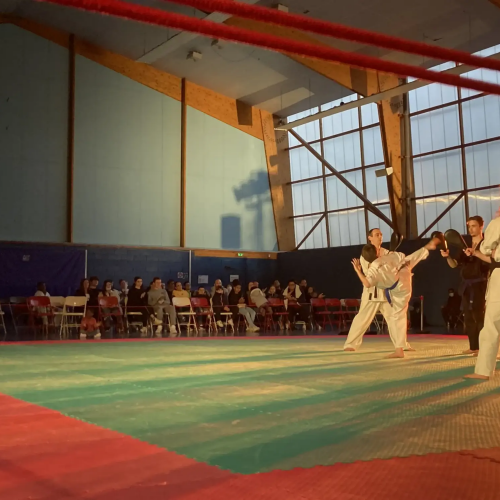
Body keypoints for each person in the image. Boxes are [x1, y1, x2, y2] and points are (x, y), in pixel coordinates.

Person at [351, 236, 440, 358]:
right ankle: (426, 248)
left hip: (399, 289)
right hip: (404, 273)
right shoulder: (389, 256)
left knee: (397, 317)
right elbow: (401, 256)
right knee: (409, 260)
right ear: (377, 252)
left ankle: (399, 351)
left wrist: (357, 270)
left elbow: (366, 283)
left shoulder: (373, 269)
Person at [441, 216, 489, 354]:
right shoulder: (465, 246)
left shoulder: (486, 244)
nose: (471, 229)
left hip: (480, 285)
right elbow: (454, 265)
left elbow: (491, 261)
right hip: (466, 287)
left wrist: (476, 253)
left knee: (479, 317)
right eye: (469, 226)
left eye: (474, 226)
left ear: (481, 226)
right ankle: (473, 347)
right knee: (468, 317)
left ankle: (484, 348)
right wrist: (447, 257)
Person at [344, 228, 395, 351]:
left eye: (381, 234)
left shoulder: (387, 252)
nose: (380, 236)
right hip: (371, 293)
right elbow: (370, 275)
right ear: (370, 238)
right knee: (362, 319)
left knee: (395, 319)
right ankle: (350, 344)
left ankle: (401, 345)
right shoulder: (366, 254)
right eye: (377, 234)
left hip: (385, 293)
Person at [465, 214, 500, 380]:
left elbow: (486, 247)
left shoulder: (498, 222)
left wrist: (497, 219)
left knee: (491, 325)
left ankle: (483, 371)